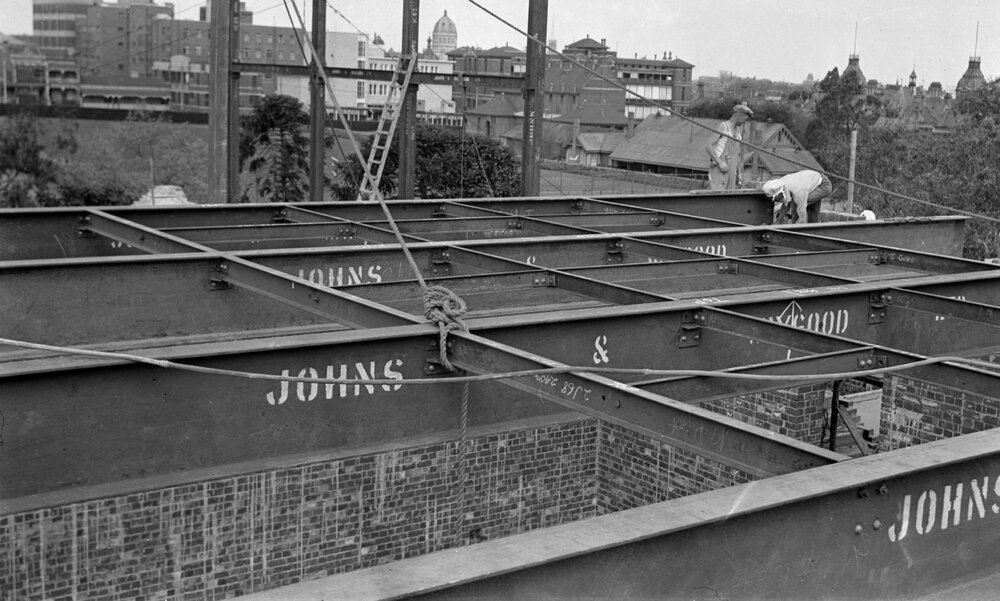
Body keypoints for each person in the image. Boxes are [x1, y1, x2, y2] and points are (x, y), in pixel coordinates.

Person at [705, 103, 753, 190]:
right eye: (744, 120)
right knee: (718, 194)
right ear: (740, 115)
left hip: (732, 167)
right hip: (721, 167)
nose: (743, 123)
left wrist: (740, 172)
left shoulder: (738, 131)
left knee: (730, 194)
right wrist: (720, 162)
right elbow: (708, 146)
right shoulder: (723, 127)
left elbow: (737, 154)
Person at [761, 170, 833, 224]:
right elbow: (786, 204)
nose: (775, 201)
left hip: (823, 185)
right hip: (810, 182)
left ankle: (811, 229)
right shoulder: (780, 184)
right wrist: (777, 224)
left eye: (774, 199)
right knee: (796, 204)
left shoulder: (798, 193)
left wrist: (792, 231)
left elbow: (802, 219)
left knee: (798, 207)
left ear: (781, 192)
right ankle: (814, 224)